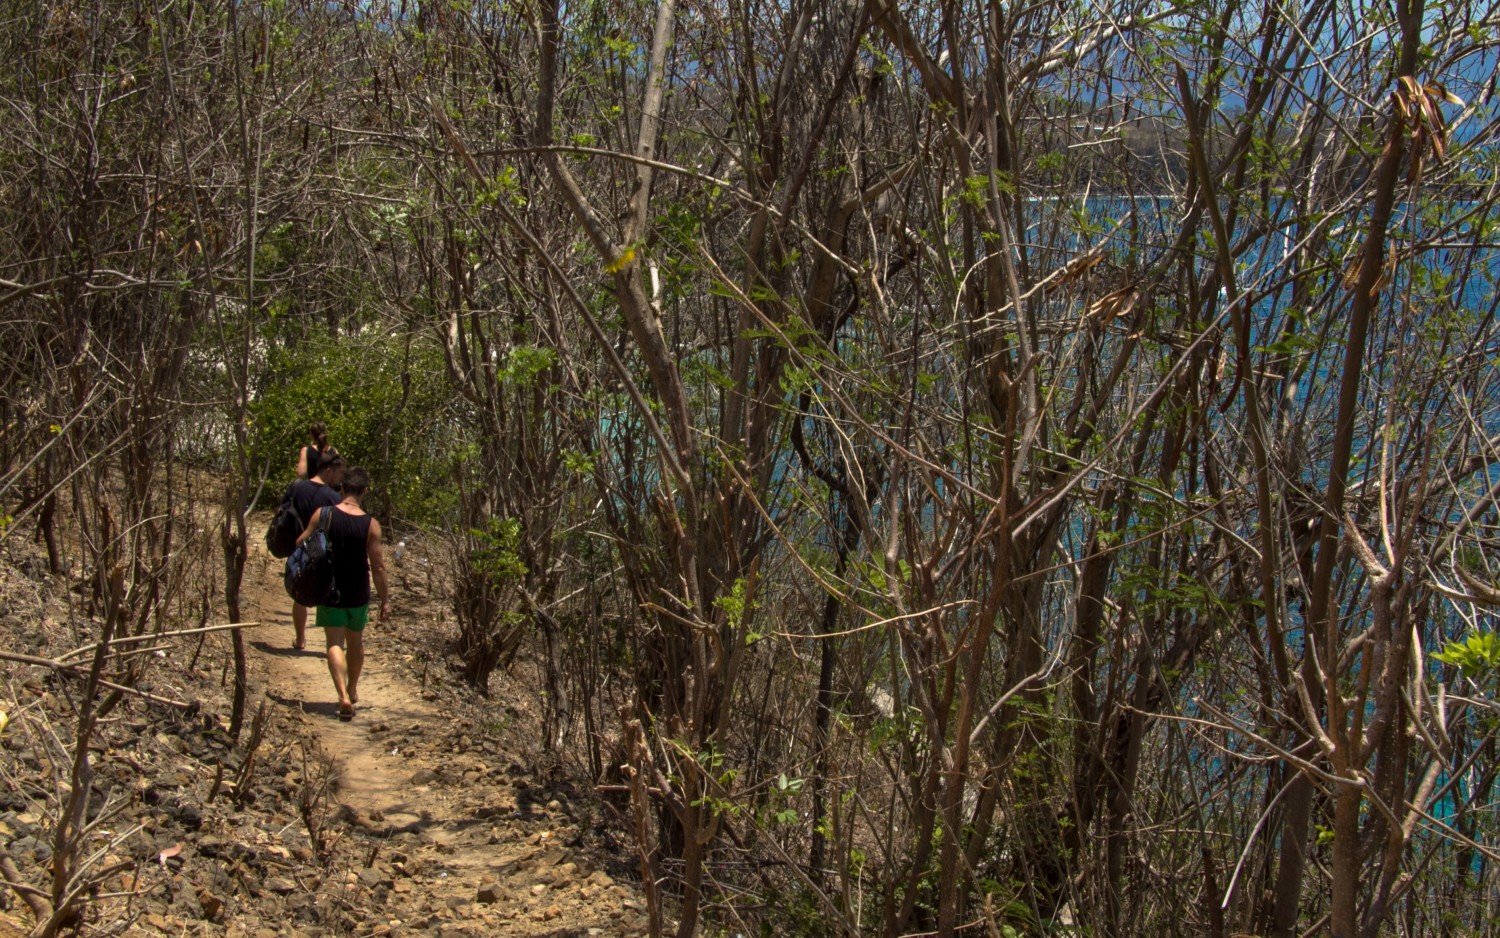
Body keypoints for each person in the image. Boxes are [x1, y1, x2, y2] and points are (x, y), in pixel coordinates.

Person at [296, 466, 389, 719]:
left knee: (334, 643)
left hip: (330, 590)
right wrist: (385, 600)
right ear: (365, 491)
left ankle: (342, 696)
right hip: (358, 591)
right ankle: (352, 688)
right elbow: (378, 566)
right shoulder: (371, 525)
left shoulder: (323, 515)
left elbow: (300, 543)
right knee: (355, 643)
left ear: (342, 488)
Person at [288, 454, 346, 650]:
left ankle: (300, 638)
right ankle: (332, 644)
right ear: (328, 470)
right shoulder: (333, 497)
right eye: (339, 473)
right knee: (325, 594)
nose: (341, 478)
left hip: (299, 547)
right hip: (322, 551)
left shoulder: (298, 488)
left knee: (299, 595)